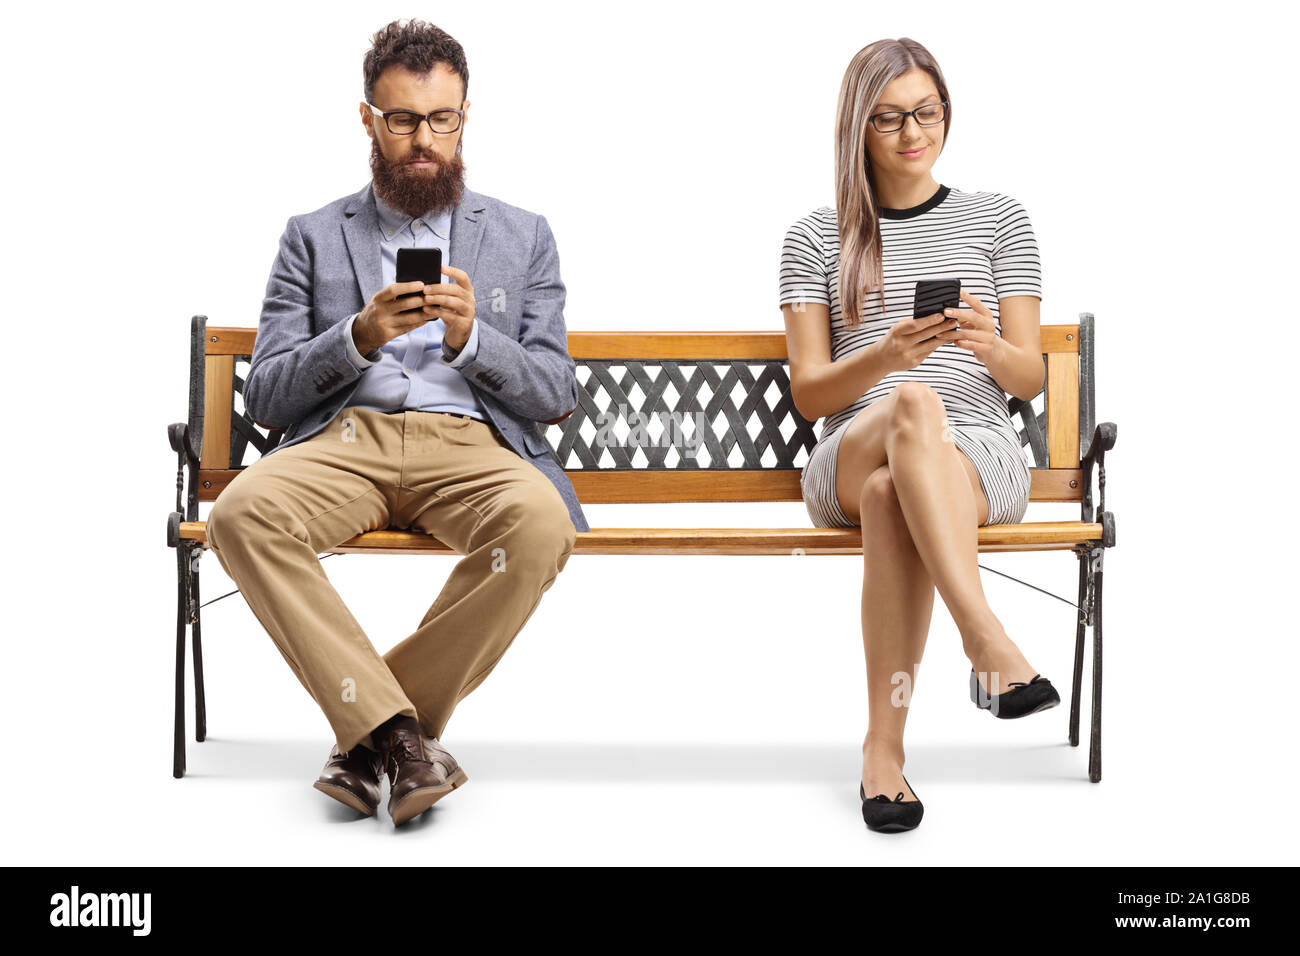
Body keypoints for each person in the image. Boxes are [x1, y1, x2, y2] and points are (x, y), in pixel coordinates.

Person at [205, 19, 589, 827]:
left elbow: (556, 390)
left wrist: (473, 339)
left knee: (540, 526)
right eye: (403, 120)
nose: (424, 141)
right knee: (241, 513)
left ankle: (369, 738)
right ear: (367, 119)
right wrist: (356, 338)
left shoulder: (523, 237)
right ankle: (404, 738)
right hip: (347, 441)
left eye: (441, 119)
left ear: (466, 116)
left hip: (470, 445)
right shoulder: (311, 237)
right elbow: (269, 395)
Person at [779, 37, 1059, 833]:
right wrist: (885, 359)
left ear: (947, 114)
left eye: (926, 112)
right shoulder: (813, 237)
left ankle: (882, 754)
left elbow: (1029, 379)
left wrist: (983, 341)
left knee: (892, 489)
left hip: (976, 456)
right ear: (857, 128)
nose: (912, 132)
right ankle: (988, 640)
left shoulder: (999, 219)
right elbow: (809, 394)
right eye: (890, 117)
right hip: (854, 443)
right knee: (909, 408)